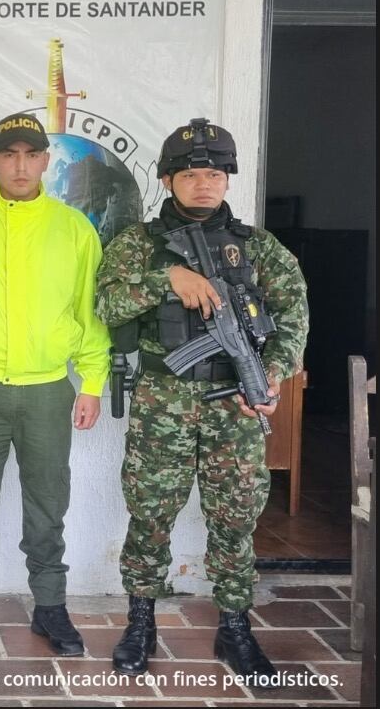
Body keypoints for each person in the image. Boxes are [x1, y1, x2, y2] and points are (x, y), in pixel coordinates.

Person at [95, 118, 308, 686]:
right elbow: (108, 304)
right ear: (168, 180)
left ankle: (234, 625)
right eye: (190, 174)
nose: (204, 184)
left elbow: (294, 319)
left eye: (214, 174)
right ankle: (141, 621)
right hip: (163, 399)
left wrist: (272, 374)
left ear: (228, 181)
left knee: (235, 518)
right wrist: (170, 278)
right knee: (150, 515)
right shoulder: (137, 244)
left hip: (234, 404)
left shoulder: (260, 249)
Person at [0, 112, 110, 658]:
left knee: (47, 502)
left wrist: (92, 383)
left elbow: (90, 312)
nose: (19, 165)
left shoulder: (74, 229)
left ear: (44, 160)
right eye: (8, 154)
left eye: (29, 155)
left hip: (47, 389)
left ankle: (51, 609)